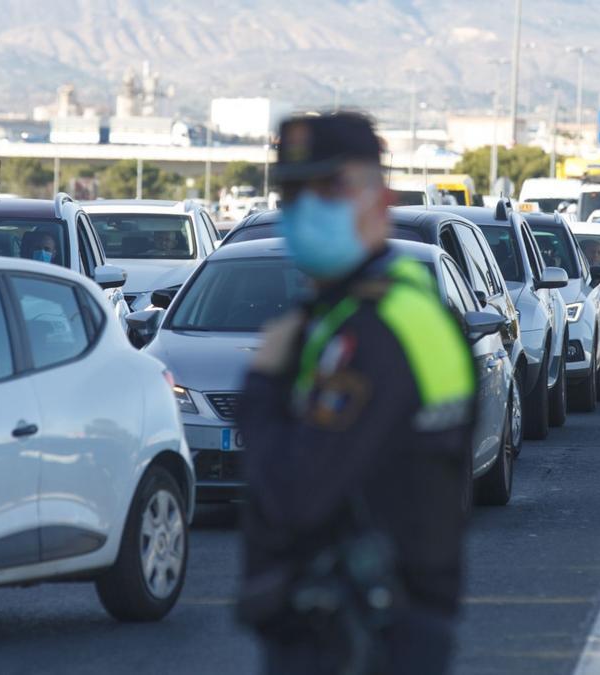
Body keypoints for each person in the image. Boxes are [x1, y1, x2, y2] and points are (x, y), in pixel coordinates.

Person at [236, 112, 477, 675]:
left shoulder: (372, 332)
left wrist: (264, 384)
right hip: (382, 622)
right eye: (294, 192)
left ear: (380, 196)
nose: (308, 208)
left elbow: (296, 493)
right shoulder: (393, 310)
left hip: (360, 636)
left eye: (330, 188)